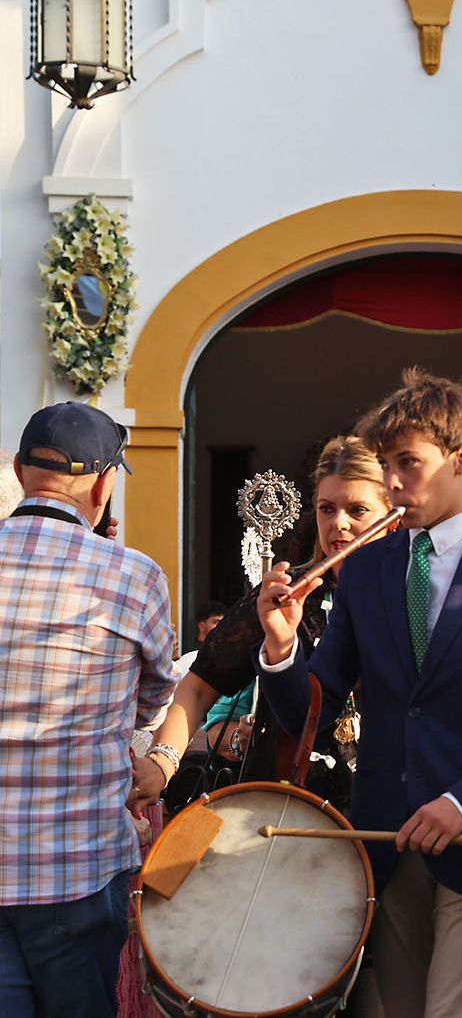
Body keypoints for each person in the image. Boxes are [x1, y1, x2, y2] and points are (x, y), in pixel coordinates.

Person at [254, 367, 462, 1018]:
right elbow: (311, 712)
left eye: (409, 463)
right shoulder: (368, 568)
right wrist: (283, 648)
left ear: (461, 458)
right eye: (388, 465)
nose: (394, 482)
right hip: (388, 838)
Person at [0, 402, 181, 1016]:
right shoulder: (133, 576)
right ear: (105, 484)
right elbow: (152, 699)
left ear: (22, 470)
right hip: (75, 869)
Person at [149, 436, 393, 813]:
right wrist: (160, 763)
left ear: (393, 517)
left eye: (358, 509)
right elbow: (198, 686)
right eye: (327, 509)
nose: (339, 524)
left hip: (388, 815)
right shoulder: (284, 596)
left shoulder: (417, 597)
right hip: (279, 813)